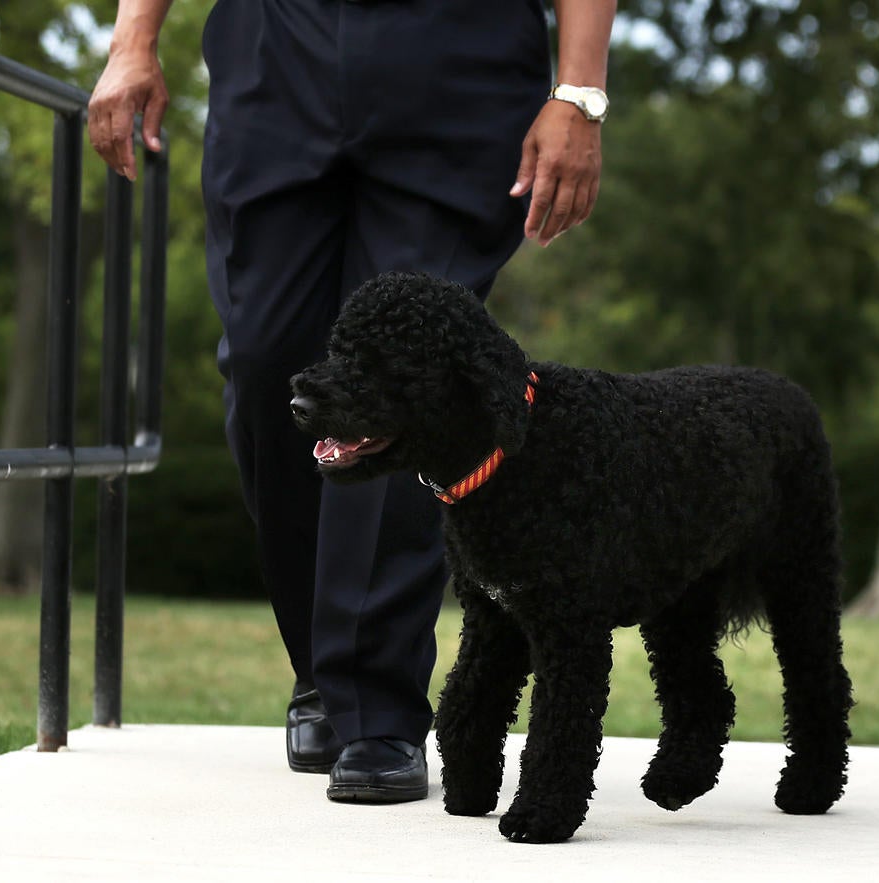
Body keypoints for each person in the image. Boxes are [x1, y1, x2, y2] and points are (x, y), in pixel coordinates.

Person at [88, 0, 614, 804]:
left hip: (458, 54)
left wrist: (579, 91)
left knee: (404, 382)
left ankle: (375, 706)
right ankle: (321, 666)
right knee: (268, 363)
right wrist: (133, 41)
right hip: (275, 45)